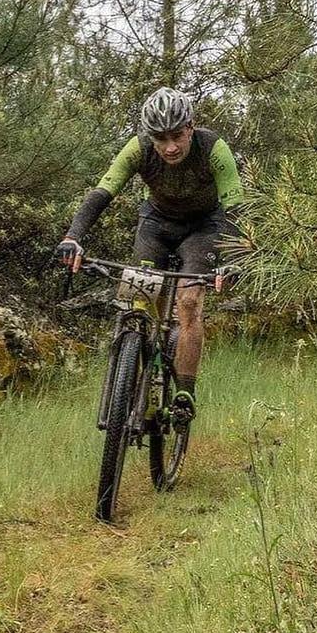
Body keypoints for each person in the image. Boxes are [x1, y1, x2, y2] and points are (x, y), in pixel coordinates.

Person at [55, 87, 244, 422]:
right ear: (149, 135)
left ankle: (185, 391)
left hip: (203, 227)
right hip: (156, 224)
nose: (169, 147)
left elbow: (235, 207)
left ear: (191, 127)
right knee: (138, 302)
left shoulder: (213, 147)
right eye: (160, 138)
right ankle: (140, 375)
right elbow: (103, 191)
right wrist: (74, 237)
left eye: (176, 136)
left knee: (188, 302)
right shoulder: (139, 149)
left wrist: (232, 260)